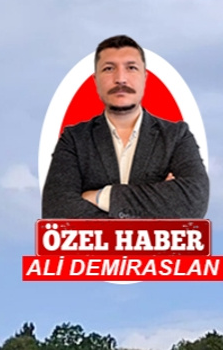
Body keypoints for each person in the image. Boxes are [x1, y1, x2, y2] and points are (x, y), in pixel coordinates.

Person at [41, 35, 209, 219]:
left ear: (145, 77)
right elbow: (56, 209)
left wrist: (101, 196)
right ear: (96, 81)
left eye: (131, 68)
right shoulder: (74, 139)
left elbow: (195, 200)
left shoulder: (176, 136)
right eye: (109, 69)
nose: (120, 79)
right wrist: (159, 201)